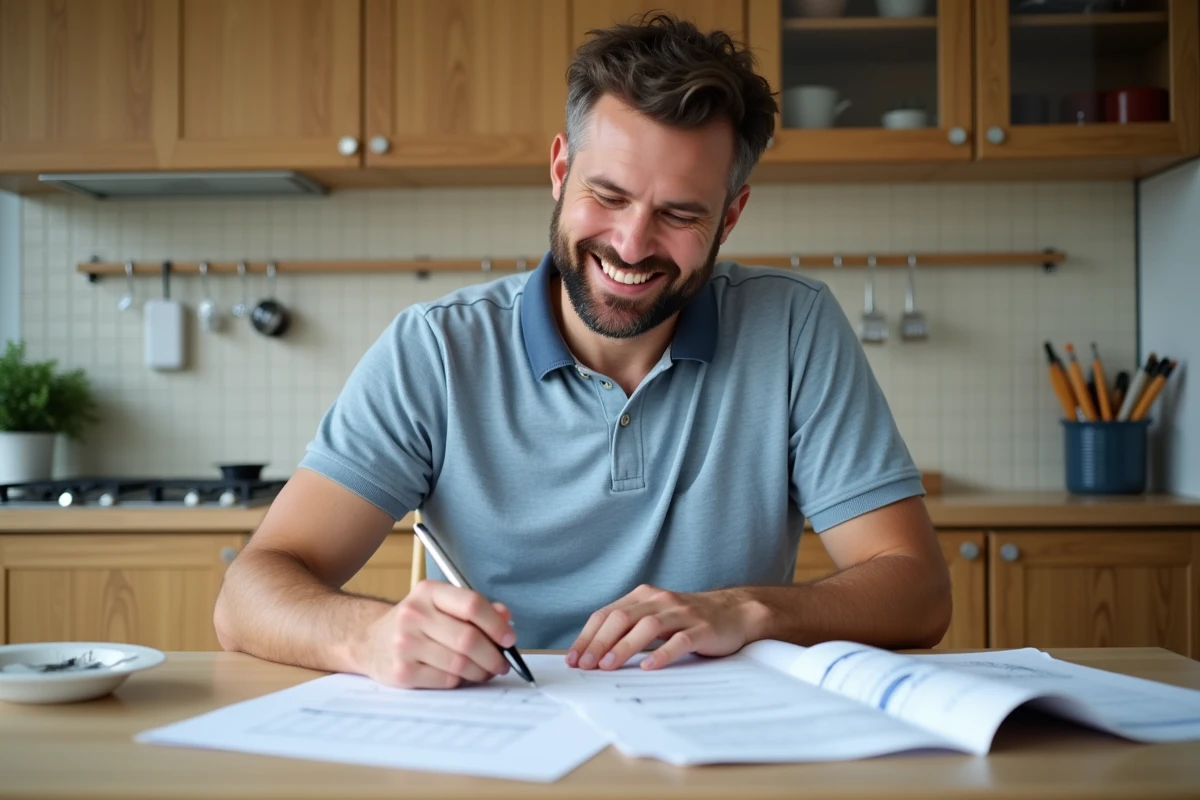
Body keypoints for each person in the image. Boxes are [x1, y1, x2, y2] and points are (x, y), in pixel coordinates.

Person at [213, 13, 951, 690]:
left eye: (679, 213)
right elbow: (249, 595)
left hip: (721, 740)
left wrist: (747, 608)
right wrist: (367, 635)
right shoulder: (435, 348)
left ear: (732, 213)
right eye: (610, 195)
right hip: (495, 730)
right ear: (561, 170)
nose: (632, 244)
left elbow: (917, 592)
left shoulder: (795, 329)